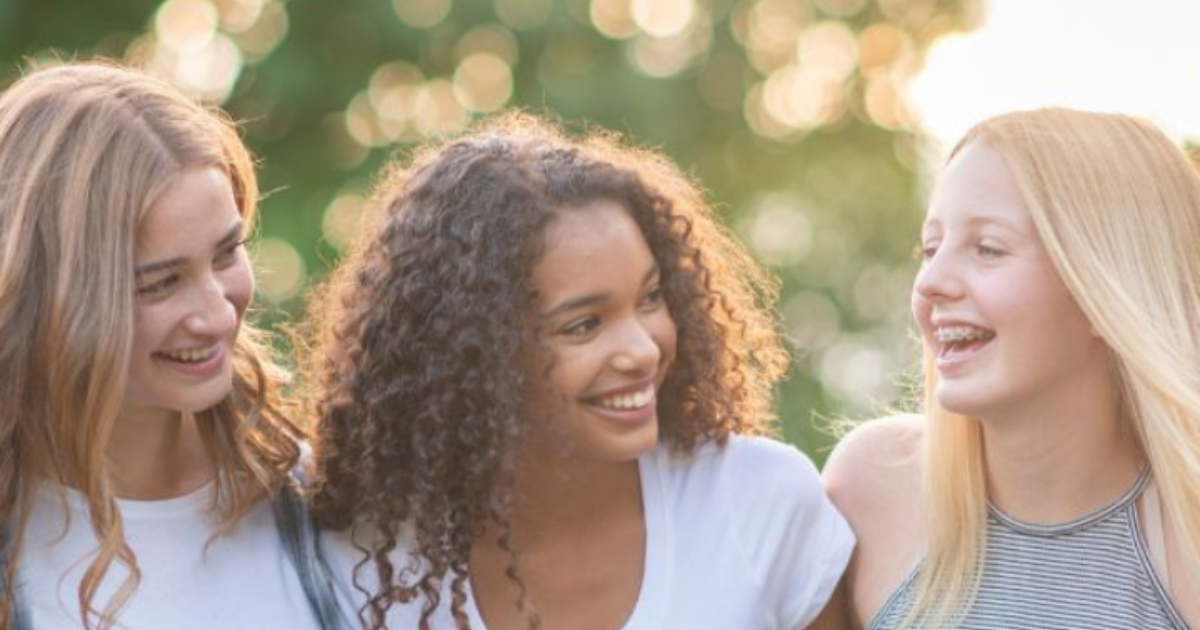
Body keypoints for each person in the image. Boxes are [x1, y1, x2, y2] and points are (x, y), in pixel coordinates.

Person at [297, 113, 853, 630]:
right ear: (474, 356)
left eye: (651, 297)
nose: (642, 350)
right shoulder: (368, 556)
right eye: (583, 325)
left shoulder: (760, 503)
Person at [824, 108, 1200, 630]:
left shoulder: (1185, 542)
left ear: (1104, 290)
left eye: (988, 248)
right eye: (930, 248)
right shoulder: (872, 488)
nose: (931, 281)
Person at [0, 61, 345, 630]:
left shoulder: (317, 505)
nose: (215, 315)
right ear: (51, 298)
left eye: (227, 253)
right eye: (158, 284)